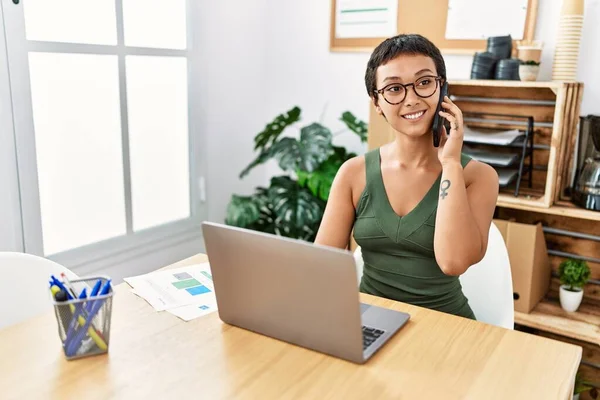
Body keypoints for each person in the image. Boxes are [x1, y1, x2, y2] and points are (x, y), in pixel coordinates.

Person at [314, 34, 499, 320]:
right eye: (394, 88)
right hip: (370, 322)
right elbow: (322, 268)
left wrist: (450, 163)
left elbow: (453, 261)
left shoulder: (479, 177)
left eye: (424, 83)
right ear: (377, 102)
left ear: (442, 88)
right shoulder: (353, 174)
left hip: (446, 328)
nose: (411, 99)